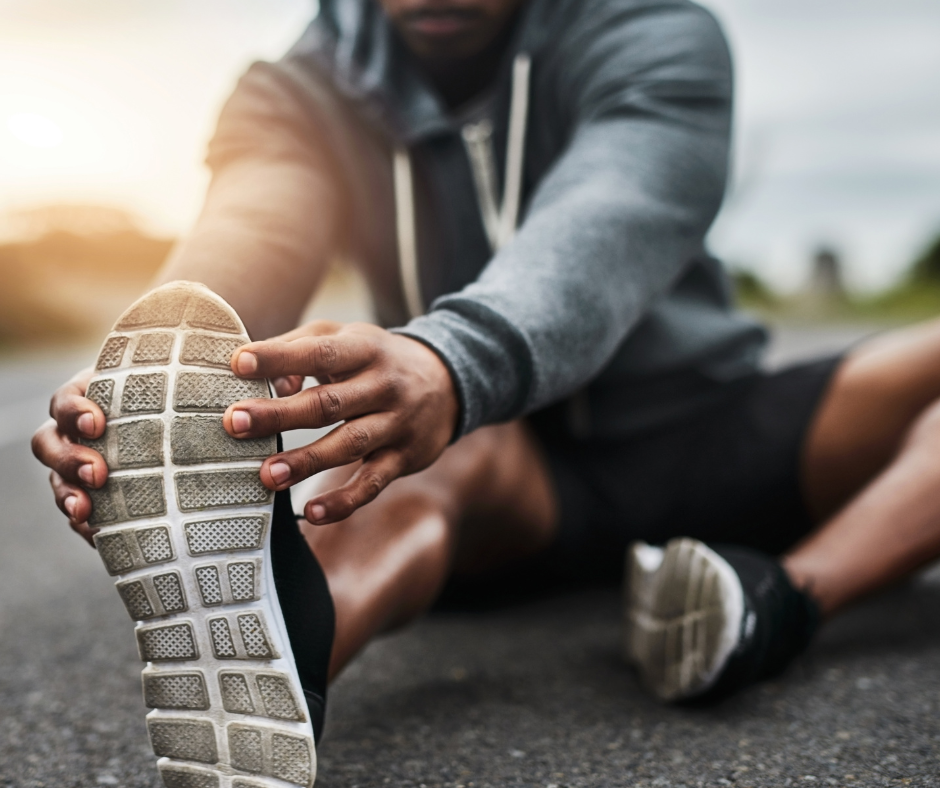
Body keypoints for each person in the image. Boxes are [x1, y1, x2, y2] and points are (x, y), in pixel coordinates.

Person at [30, 0, 940, 769]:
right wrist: (136, 385)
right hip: (494, 464)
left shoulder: (657, 34)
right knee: (405, 459)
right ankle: (277, 669)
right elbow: (256, 225)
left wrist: (453, 359)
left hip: (708, 429)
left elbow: (616, 208)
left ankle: (780, 595)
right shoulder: (298, 92)